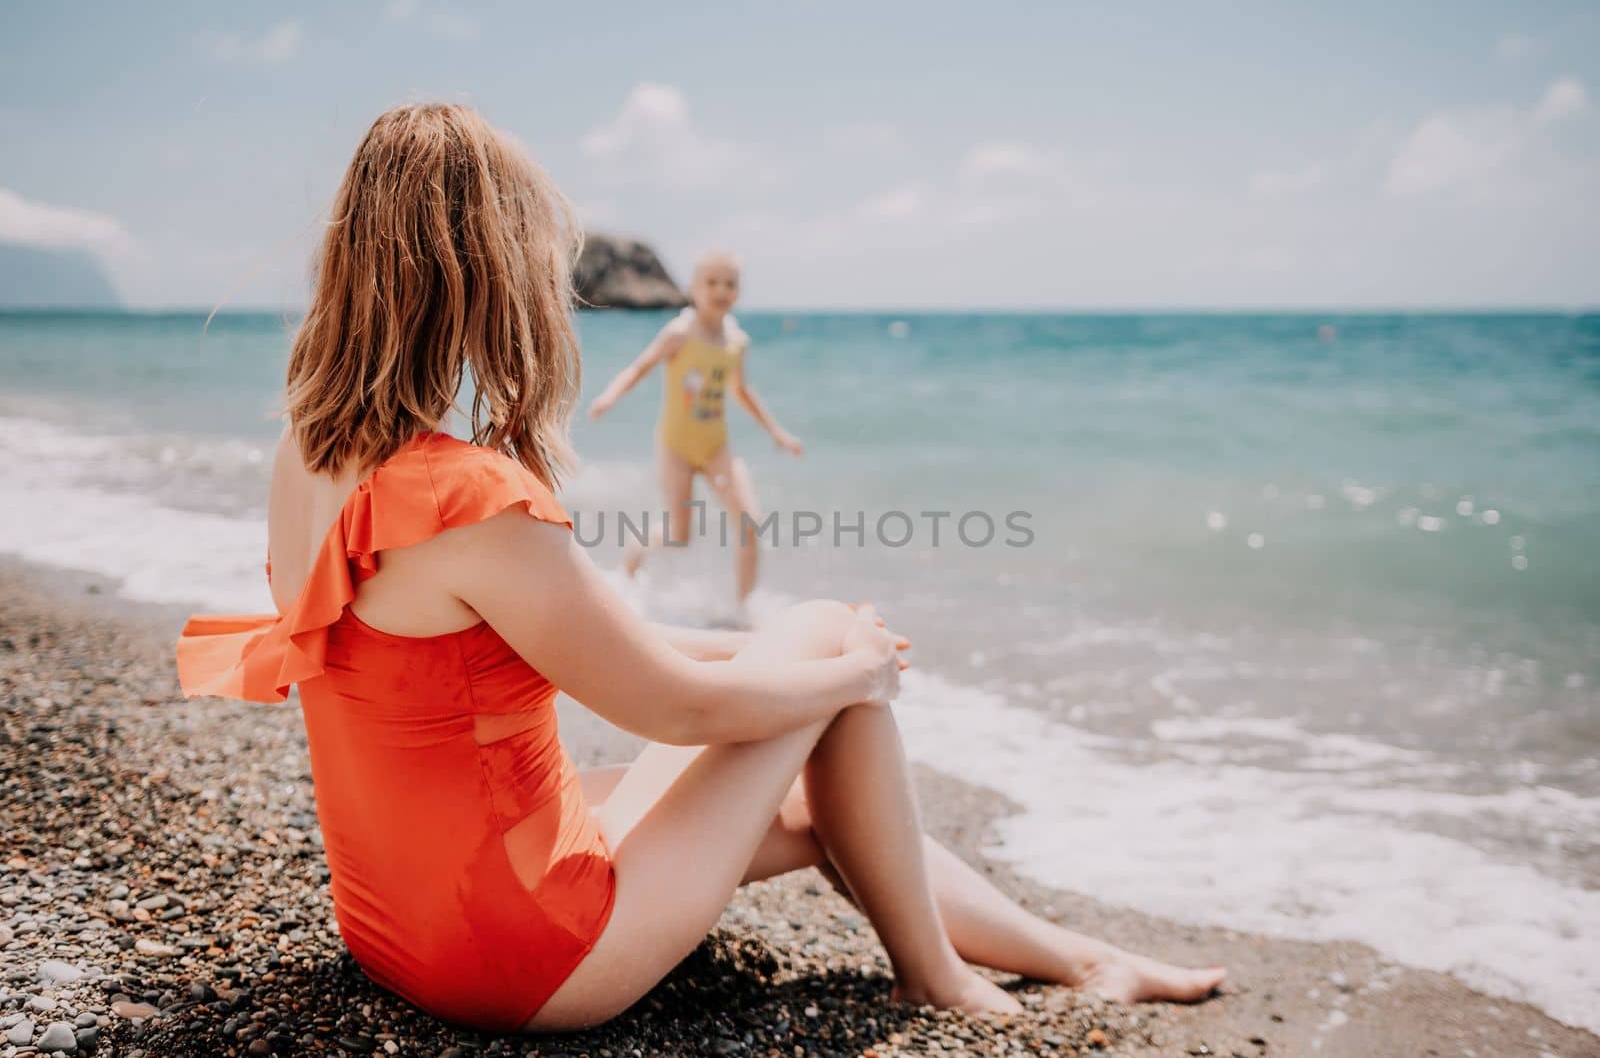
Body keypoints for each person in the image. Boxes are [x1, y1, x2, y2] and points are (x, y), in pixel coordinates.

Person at [177, 103, 1224, 1035]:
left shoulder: (309, 454)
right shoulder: (469, 499)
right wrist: (852, 670)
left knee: (819, 800)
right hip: (522, 952)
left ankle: (1075, 958)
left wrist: (787, 657)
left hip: (393, 920)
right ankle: (935, 975)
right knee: (823, 636)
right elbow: (677, 708)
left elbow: (552, 639)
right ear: (500, 272)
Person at [587, 253, 801, 609]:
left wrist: (777, 433)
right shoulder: (679, 333)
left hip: (716, 446)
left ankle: (743, 611)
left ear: (738, 291)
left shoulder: (736, 341)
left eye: (730, 283)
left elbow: (742, 392)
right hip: (676, 447)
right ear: (693, 289)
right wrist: (609, 396)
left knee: (750, 523)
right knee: (678, 535)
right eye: (712, 282)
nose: (721, 290)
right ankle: (633, 557)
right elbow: (642, 366)